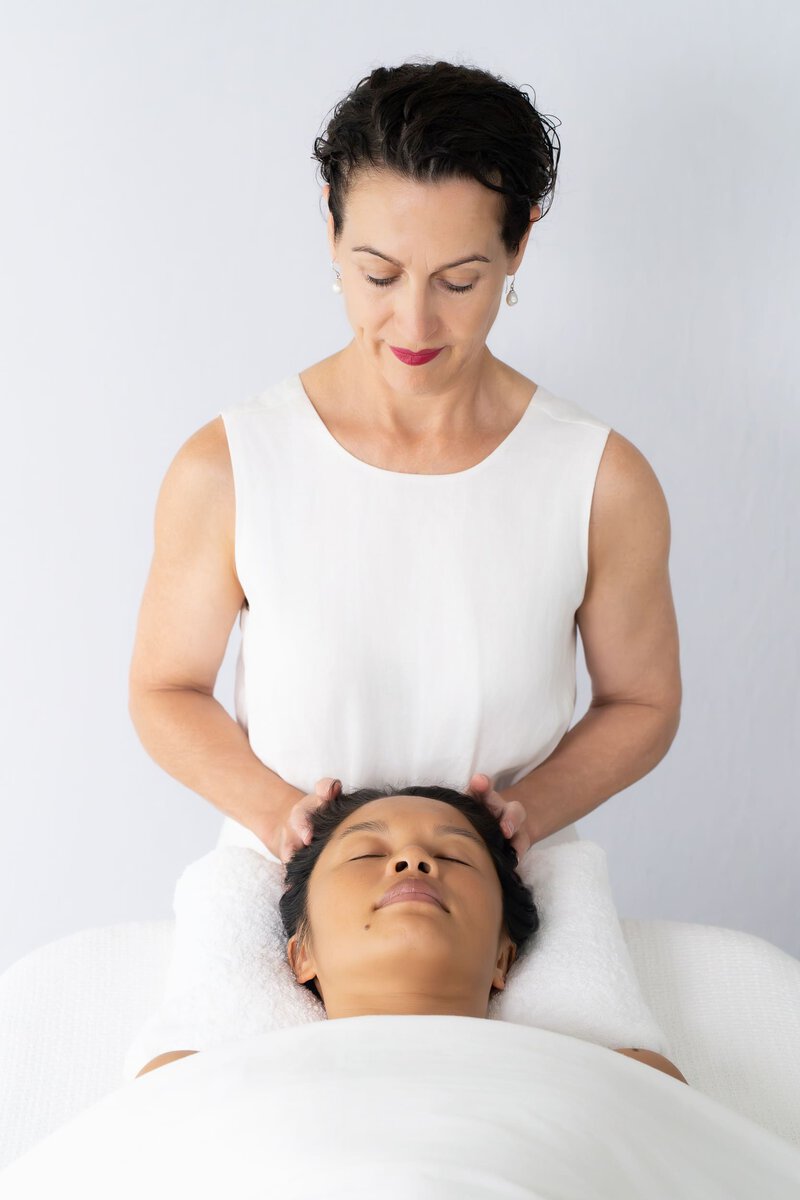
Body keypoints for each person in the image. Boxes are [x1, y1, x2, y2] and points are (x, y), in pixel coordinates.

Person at [128, 60, 680, 877]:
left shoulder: (598, 478)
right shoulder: (231, 467)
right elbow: (165, 688)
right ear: (331, 227)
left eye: (459, 281)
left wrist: (525, 817)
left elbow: (643, 700)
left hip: (503, 897)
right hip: (287, 891)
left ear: (521, 240)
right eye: (378, 274)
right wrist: (286, 821)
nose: (413, 321)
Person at [135, 786, 687, 1084]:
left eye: (453, 856)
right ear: (301, 952)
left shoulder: (623, 1079)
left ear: (504, 955)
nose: (414, 861)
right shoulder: (195, 1082)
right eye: (368, 853)